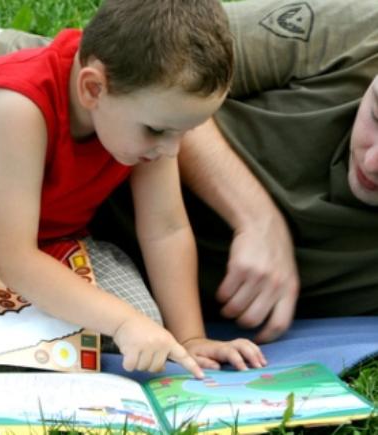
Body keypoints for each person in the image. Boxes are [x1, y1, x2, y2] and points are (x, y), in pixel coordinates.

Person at [0, 0, 265, 375]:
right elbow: (13, 258)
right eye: (158, 130)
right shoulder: (19, 106)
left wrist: (189, 337)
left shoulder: (144, 118)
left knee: (148, 334)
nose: (171, 149)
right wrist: (123, 322)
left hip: (46, 243)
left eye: (185, 132)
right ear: (93, 88)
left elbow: (166, 229)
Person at [92, 0, 378, 343]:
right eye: (376, 115)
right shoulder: (361, 30)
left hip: (109, 279)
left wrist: (191, 339)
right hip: (44, 158)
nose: (372, 162)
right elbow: (134, 66)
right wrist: (256, 218)